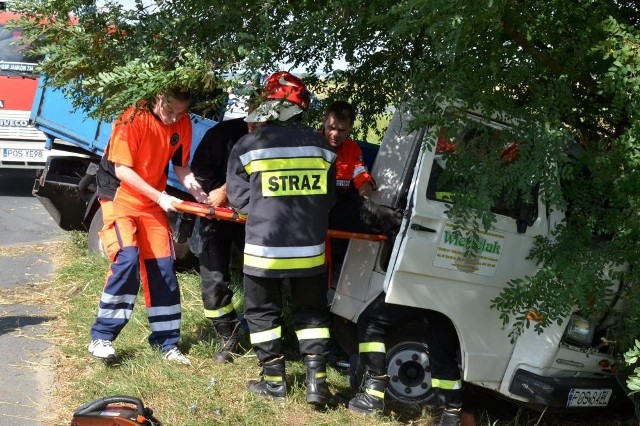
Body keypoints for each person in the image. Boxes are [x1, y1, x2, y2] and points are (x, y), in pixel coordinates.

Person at [226, 71, 337, 406]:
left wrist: (263, 206)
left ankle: (275, 383)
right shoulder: (322, 146)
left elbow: (238, 197)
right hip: (310, 252)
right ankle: (316, 385)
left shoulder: (248, 145)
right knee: (313, 314)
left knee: (262, 312)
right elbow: (330, 198)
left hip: (264, 250)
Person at [88, 86, 209, 365]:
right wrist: (159, 196)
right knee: (127, 260)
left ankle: (166, 343)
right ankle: (102, 336)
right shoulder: (131, 118)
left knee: (164, 267)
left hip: (151, 202)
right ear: (158, 97)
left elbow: (181, 166)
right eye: (169, 110)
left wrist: (198, 193)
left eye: (181, 112)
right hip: (121, 196)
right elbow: (122, 170)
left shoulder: (182, 122)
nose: (173, 118)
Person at [189, 112, 252, 363]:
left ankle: (261, 335)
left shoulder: (277, 139)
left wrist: (228, 189)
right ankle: (228, 334)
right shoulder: (222, 134)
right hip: (218, 216)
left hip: (255, 218)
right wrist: (214, 193)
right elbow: (199, 170)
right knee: (213, 282)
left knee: (262, 281)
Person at [348, 293, 464, 425]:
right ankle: (450, 415)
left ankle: (372, 396)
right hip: (459, 294)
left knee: (371, 322)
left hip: (427, 285)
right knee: (440, 349)